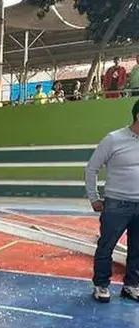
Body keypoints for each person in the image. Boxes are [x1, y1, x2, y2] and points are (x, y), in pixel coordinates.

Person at [84, 99, 139, 303]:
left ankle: (131, 285)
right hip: (117, 204)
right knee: (106, 247)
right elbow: (91, 169)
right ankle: (101, 285)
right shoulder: (114, 139)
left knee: (138, 249)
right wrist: (94, 198)